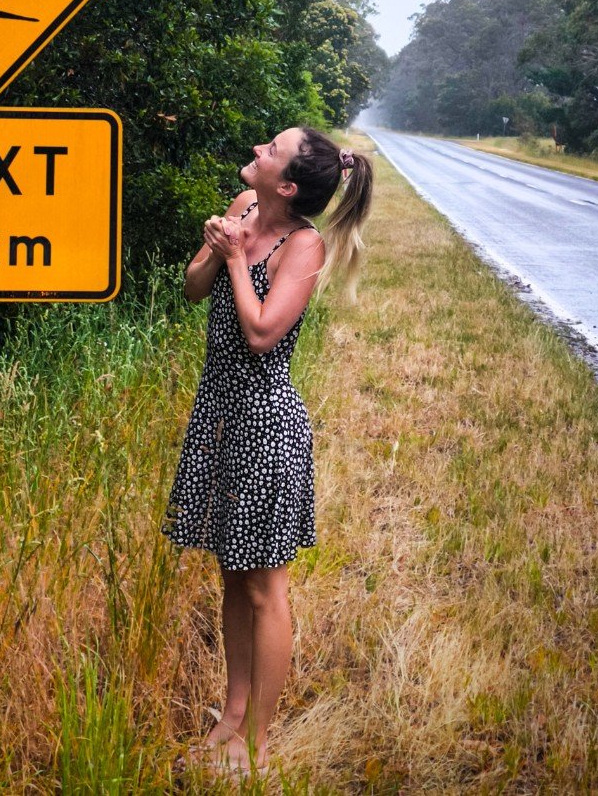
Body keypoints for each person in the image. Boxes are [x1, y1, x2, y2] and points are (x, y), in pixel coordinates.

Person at [162, 126, 373, 775]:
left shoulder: (303, 243)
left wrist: (233, 260)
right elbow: (194, 289)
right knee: (231, 575)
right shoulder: (242, 208)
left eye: (269, 151)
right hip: (218, 414)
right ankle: (229, 723)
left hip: (266, 423)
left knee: (265, 588)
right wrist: (213, 247)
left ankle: (254, 746)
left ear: (286, 184)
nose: (254, 149)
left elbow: (260, 333)